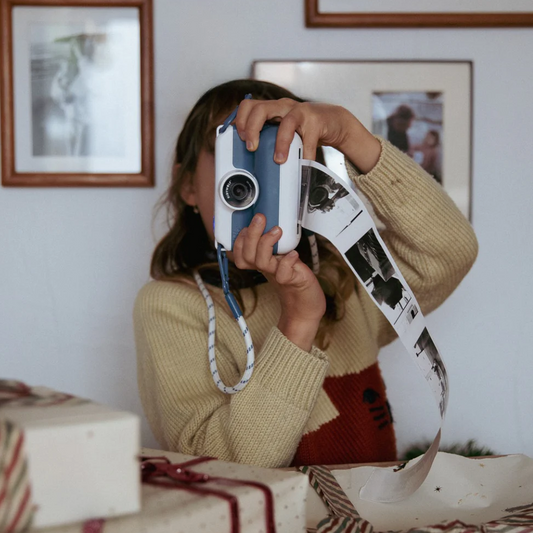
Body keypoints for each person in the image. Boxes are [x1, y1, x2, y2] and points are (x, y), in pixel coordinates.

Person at [133, 79, 478, 468]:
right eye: (236, 155)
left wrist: (351, 136)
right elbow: (223, 469)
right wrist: (297, 321)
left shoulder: (345, 277)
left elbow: (450, 252)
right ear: (188, 186)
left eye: (279, 159)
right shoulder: (172, 307)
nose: (257, 182)